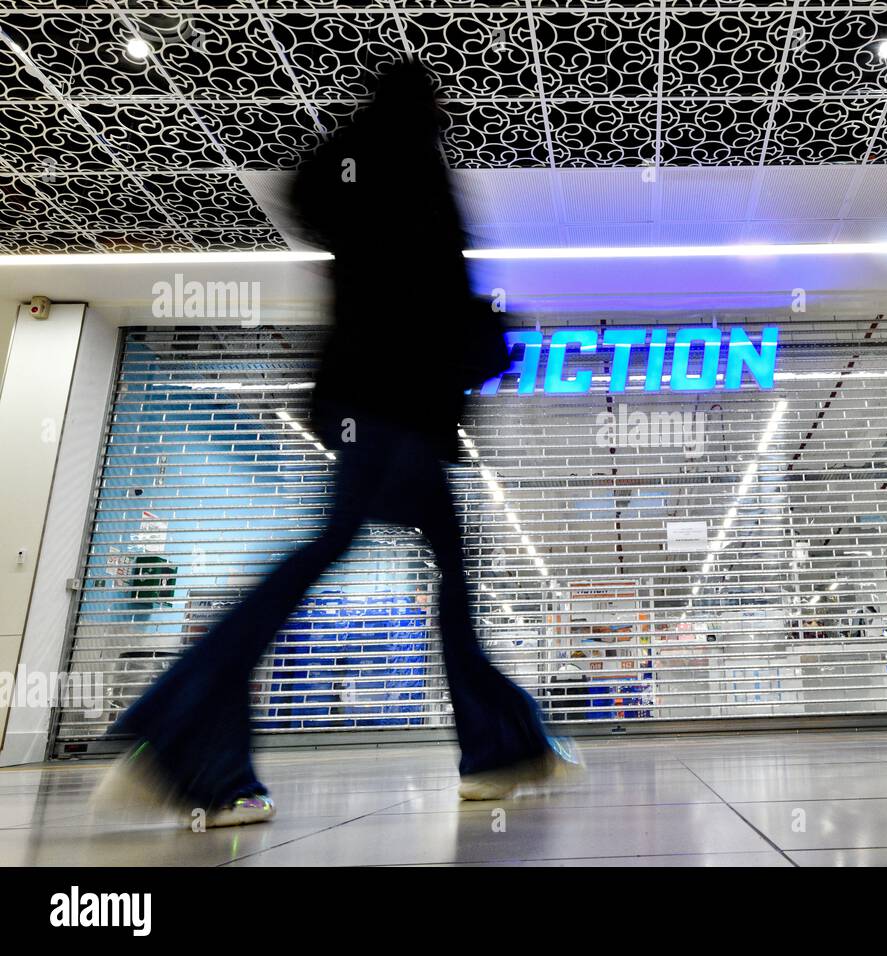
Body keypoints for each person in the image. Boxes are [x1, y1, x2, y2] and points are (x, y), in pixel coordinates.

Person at [93, 61, 578, 828]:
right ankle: (181, 732)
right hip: (396, 409)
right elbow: (428, 292)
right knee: (347, 554)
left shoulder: (351, 164)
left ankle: (498, 749)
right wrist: (480, 333)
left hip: (372, 404)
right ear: (424, 108)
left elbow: (324, 215)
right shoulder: (411, 164)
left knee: (437, 568)